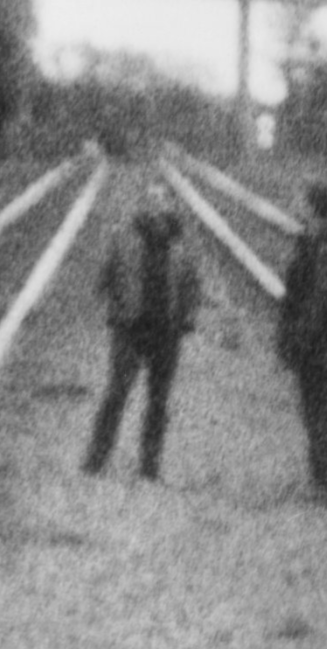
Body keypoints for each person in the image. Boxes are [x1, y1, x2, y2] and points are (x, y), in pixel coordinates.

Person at [82, 178, 201, 481]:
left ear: (171, 204)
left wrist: (187, 318)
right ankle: (95, 460)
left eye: (162, 199)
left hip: (166, 331)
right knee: (116, 393)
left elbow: (192, 284)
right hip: (130, 328)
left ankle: (150, 466)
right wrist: (112, 308)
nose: (156, 204)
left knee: (158, 401)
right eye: (151, 198)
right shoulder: (122, 236)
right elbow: (104, 275)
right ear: (143, 204)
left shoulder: (182, 242)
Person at [278, 182, 327, 506]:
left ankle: (326, 483)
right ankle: (319, 479)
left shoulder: (326, 245)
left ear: (314, 207)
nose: (295, 203)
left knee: (318, 410)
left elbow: (320, 298)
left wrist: (301, 337)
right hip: (309, 339)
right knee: (312, 409)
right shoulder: (310, 240)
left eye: (301, 200)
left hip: (318, 342)